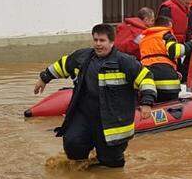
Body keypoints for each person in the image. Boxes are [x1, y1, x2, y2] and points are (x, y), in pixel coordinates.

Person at [35, 24, 156, 168]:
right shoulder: (82, 56)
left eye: (102, 40)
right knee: (73, 144)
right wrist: (44, 78)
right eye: (95, 40)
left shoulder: (125, 62)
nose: (98, 44)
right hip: (84, 114)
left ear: (112, 42)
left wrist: (147, 103)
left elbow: (146, 78)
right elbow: (62, 65)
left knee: (111, 164)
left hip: (112, 120)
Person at [138, 16, 192, 103]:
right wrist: (191, 44)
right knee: (171, 106)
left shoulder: (144, 38)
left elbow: (154, 58)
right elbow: (175, 51)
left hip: (148, 78)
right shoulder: (166, 34)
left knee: (155, 104)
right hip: (166, 80)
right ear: (168, 25)